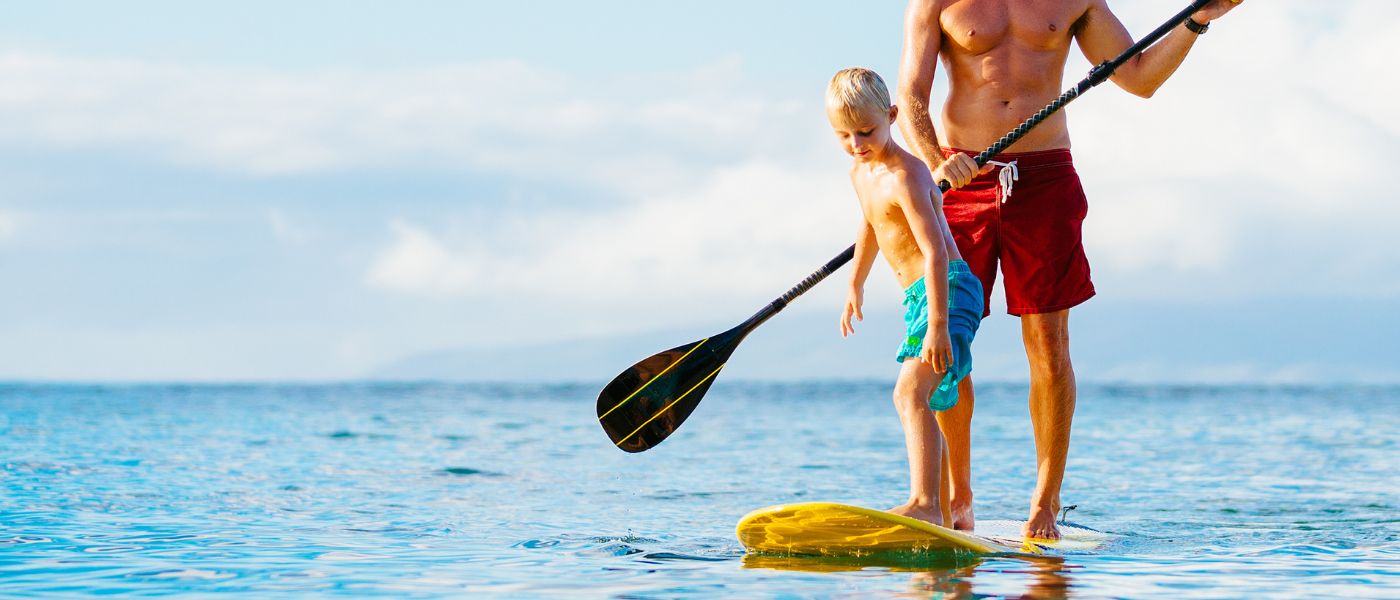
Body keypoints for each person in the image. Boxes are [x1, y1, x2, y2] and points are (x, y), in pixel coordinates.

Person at [896, 0, 1244, 539]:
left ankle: (1044, 504)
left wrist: (1200, 19)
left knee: (1049, 344)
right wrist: (935, 159)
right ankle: (956, 498)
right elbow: (912, 94)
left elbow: (1139, 77)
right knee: (948, 340)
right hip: (961, 179)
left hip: (1046, 177)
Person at [828, 68, 985, 526]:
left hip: (949, 291)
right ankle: (941, 509)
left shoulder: (907, 175)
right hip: (920, 298)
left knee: (909, 393)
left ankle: (925, 503)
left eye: (866, 131)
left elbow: (936, 250)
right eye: (844, 135)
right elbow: (870, 227)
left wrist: (937, 324)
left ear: (892, 116)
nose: (857, 143)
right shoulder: (861, 171)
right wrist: (855, 282)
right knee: (929, 397)